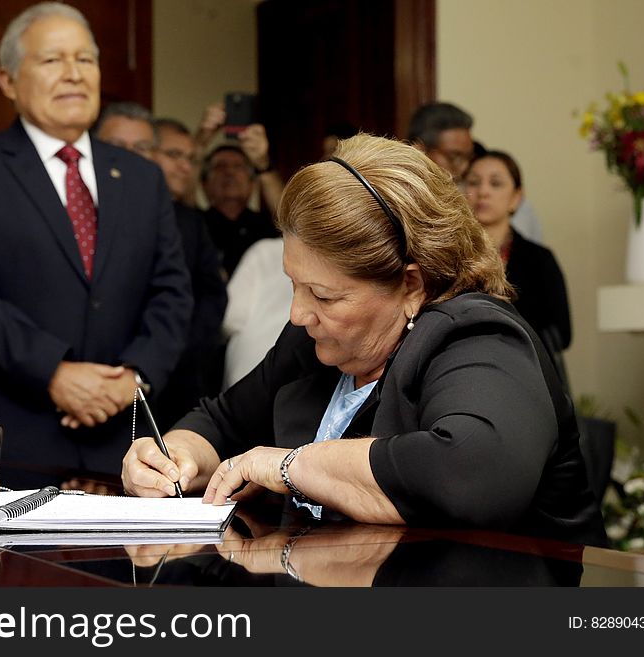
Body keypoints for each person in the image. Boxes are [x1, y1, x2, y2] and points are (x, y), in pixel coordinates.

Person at [122, 134, 606, 546]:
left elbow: (467, 473)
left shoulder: (480, 338)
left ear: (411, 286)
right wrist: (174, 457)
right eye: (294, 284)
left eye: (325, 295)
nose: (298, 313)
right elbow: (221, 421)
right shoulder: (314, 341)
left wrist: (291, 467)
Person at [0, 2, 192, 486]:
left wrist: (134, 376)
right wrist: (54, 372)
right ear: (7, 80)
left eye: (85, 60)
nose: (73, 74)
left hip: (122, 444)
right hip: (4, 443)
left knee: (122, 566)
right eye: (52, 60)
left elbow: (172, 292)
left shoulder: (141, 178)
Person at [95, 105, 227, 427]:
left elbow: (209, 296)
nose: (127, 157)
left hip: (170, 385)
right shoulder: (75, 213)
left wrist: (170, 350)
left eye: (140, 148)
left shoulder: (187, 222)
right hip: (88, 384)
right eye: (115, 146)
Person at [464, 150, 572, 351]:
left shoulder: (539, 259)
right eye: (473, 182)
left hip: (525, 369)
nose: (483, 192)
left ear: (516, 197)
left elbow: (562, 333)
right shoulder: (449, 255)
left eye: (495, 184)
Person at [407, 101, 544, 244]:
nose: (464, 168)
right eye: (454, 157)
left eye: (468, 157)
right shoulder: (395, 197)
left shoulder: (472, 198)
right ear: (419, 150)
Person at [221, 236, 292, 389]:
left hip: (248, 367)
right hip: (295, 373)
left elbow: (231, 319)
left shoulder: (263, 252)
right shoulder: (327, 257)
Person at [199, 144, 281, 278]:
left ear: (252, 184)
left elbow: (292, 222)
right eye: (220, 167)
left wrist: (262, 164)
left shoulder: (267, 226)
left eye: (238, 167)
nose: (229, 173)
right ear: (204, 184)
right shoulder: (194, 225)